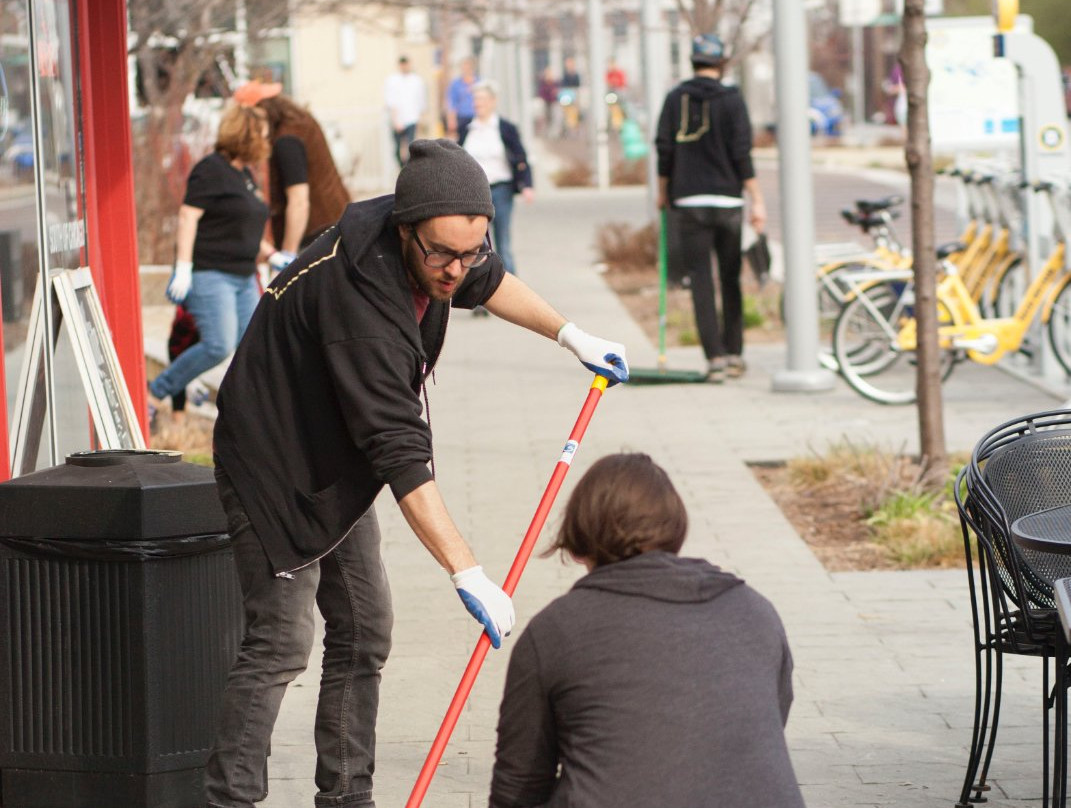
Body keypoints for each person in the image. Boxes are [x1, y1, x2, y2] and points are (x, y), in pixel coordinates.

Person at [204, 138, 629, 808]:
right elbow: (400, 453)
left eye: (472, 250)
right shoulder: (362, 311)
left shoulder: (429, 239)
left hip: (333, 460)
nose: (457, 270)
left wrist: (571, 336)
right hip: (272, 467)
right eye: (442, 254)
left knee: (365, 632)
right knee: (281, 642)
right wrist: (467, 570)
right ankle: (227, 800)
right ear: (406, 233)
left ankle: (346, 797)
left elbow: (490, 283)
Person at [489, 452, 804, 808]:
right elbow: (768, 724)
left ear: (577, 541)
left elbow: (519, 785)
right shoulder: (756, 611)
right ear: (676, 528)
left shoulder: (555, 631)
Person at [147, 103, 281, 417]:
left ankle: (247, 413)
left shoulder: (245, 175)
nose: (266, 145)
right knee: (218, 345)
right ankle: (155, 394)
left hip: (244, 276)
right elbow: (188, 217)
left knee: (252, 346)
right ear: (246, 137)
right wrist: (183, 269)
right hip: (210, 274)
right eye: (262, 137)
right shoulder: (210, 170)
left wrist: (272, 254)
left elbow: (242, 226)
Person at [655, 32, 766, 384]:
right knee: (730, 278)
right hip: (728, 201)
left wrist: (663, 191)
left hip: (688, 201)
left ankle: (714, 358)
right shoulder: (732, 100)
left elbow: (664, 149)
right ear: (721, 62)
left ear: (692, 62)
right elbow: (741, 152)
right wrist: (756, 198)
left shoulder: (675, 99)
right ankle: (735, 353)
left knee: (701, 280)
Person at [235, 80, 351, 258]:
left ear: (262, 110)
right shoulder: (301, 122)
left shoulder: (286, 140)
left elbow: (299, 200)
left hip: (315, 234)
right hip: (334, 221)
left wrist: (288, 253)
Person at [460, 82, 533, 277]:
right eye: (476, 99)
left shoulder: (505, 128)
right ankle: (478, 296)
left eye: (482, 99)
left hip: (501, 189)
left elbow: (521, 157)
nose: (478, 103)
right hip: (473, 193)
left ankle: (512, 294)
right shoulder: (467, 128)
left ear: (493, 102)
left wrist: (527, 185)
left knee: (502, 243)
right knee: (476, 245)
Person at [383, 55, 426, 167]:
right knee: (397, 149)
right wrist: (395, 120)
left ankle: (410, 169)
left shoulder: (416, 80)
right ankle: (402, 168)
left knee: (410, 147)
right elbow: (391, 102)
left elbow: (421, 101)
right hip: (397, 119)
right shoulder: (392, 80)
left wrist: (420, 120)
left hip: (412, 119)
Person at [445, 56, 478, 138]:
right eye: (464, 66)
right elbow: (452, 103)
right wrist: (451, 121)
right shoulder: (455, 84)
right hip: (462, 118)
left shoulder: (479, 82)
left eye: (468, 66)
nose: (466, 69)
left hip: (478, 117)